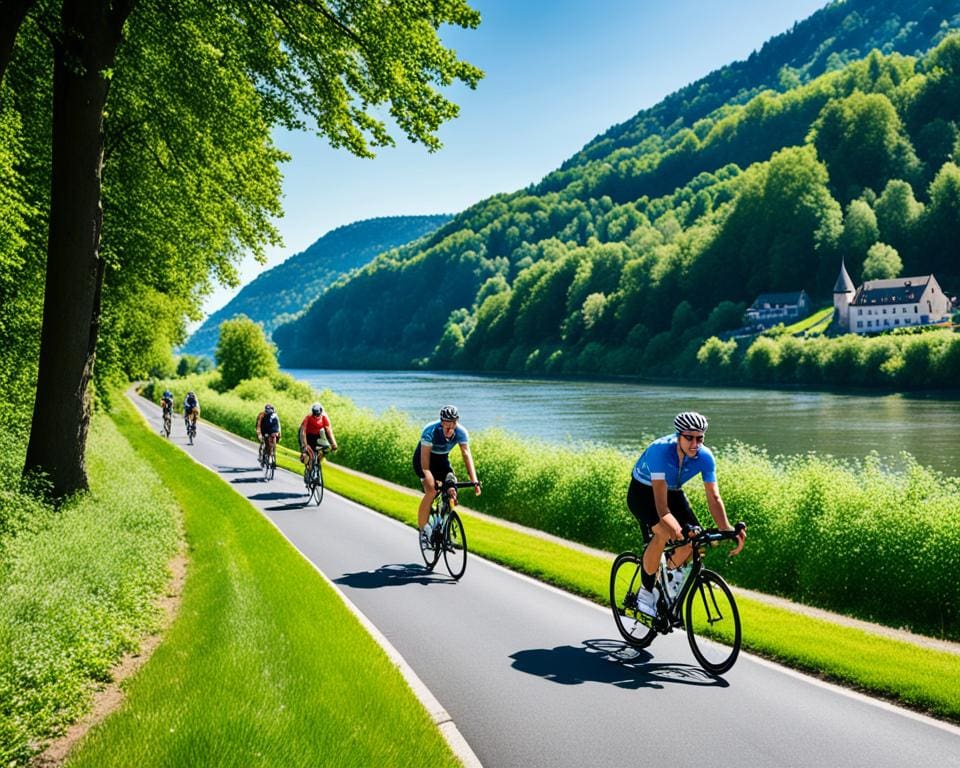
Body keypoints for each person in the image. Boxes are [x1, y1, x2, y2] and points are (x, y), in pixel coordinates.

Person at [626, 411, 745, 617]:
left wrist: (727, 529)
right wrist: (677, 531)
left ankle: (666, 578)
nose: (694, 444)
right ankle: (646, 593)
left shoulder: (705, 457)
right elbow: (662, 509)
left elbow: (714, 497)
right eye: (689, 437)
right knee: (664, 533)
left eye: (700, 438)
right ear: (678, 436)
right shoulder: (661, 451)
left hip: (672, 492)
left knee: (694, 539)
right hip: (643, 493)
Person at [414, 405, 480, 545]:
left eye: (453, 424)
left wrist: (474, 480)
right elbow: (425, 463)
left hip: (442, 460)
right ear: (441, 422)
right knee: (431, 490)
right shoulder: (430, 431)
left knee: (451, 487)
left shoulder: (461, 432)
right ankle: (424, 530)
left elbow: (466, 454)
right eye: (447, 425)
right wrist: (428, 476)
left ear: (457, 422)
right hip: (423, 460)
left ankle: (446, 525)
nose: (450, 428)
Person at [298, 402, 338, 472]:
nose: (316, 417)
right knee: (307, 455)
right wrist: (304, 445)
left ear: (321, 412)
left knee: (327, 448)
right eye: (314, 415)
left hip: (317, 436)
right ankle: (308, 469)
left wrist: (333, 443)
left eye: (318, 415)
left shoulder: (324, 417)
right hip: (307, 436)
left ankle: (318, 461)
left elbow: (328, 431)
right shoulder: (308, 417)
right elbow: (302, 432)